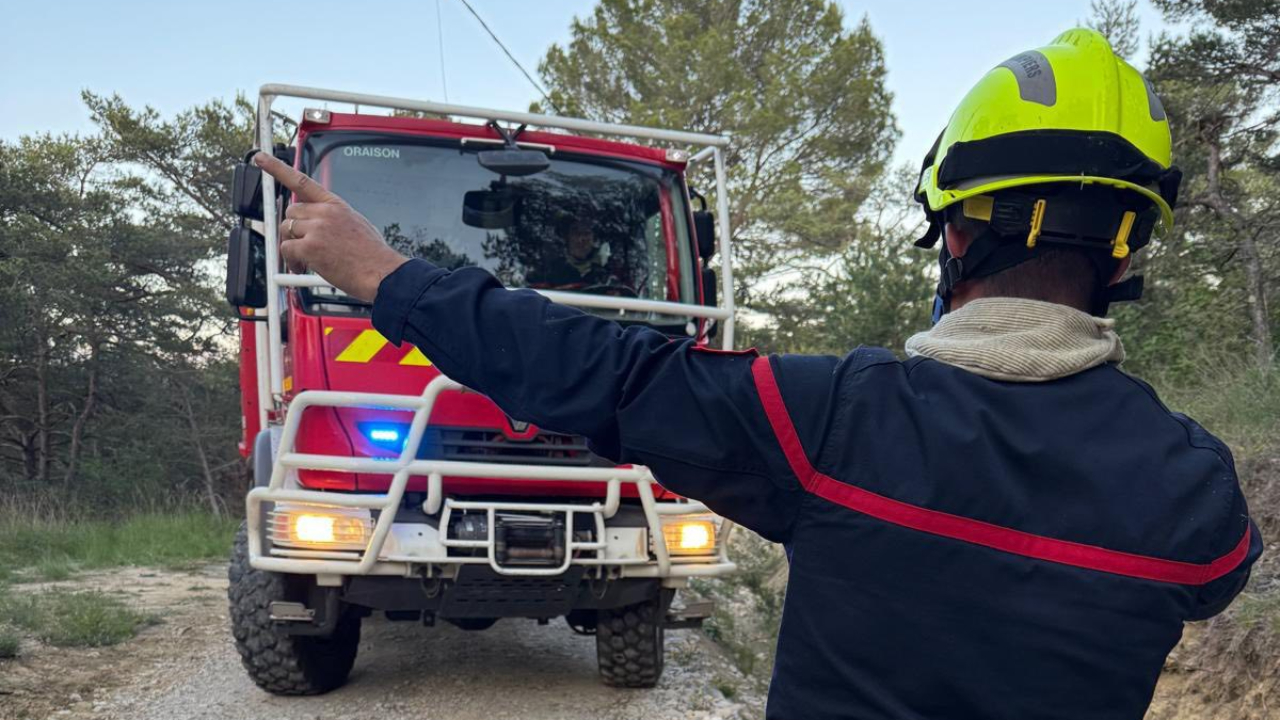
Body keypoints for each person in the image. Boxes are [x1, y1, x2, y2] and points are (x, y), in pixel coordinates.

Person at [257, 28, 1260, 720]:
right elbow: (1209, 585)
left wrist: (384, 273)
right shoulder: (1197, 494)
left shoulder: (829, 423)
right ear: (1126, 257)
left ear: (952, 233)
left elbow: (594, 372)